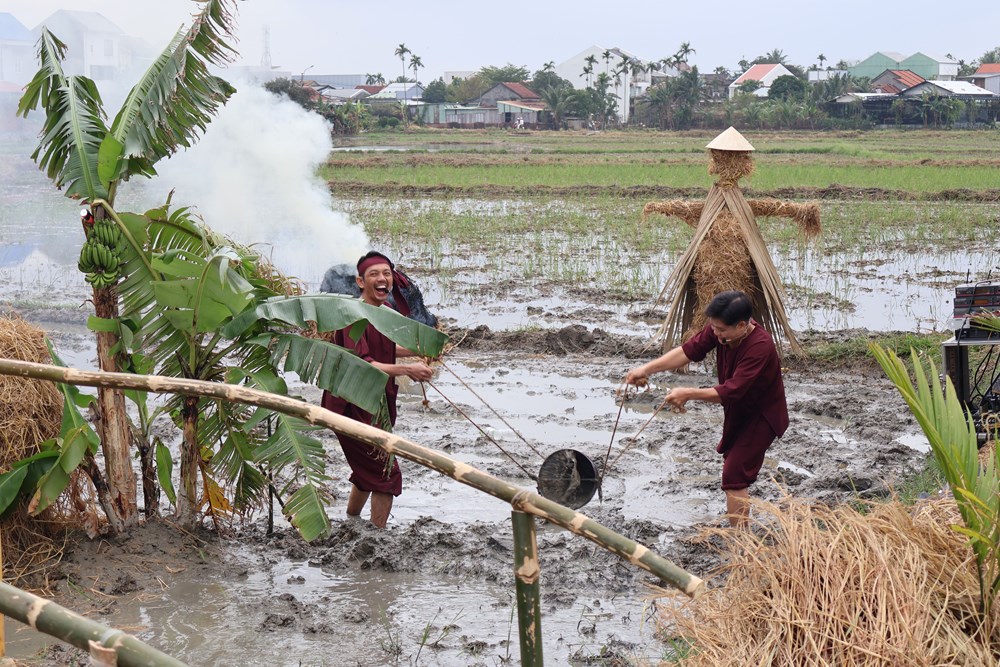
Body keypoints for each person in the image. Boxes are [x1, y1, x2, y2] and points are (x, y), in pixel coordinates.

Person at [624, 290, 788, 527]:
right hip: (738, 412)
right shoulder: (722, 333)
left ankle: (740, 541)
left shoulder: (760, 346)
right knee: (734, 469)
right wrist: (647, 369)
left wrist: (688, 393)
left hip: (761, 416)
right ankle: (739, 532)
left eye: (721, 330)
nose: (715, 333)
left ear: (742, 325)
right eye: (714, 328)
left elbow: (732, 390)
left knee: (734, 475)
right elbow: (688, 351)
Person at [321, 251, 433, 528]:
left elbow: (382, 348)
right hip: (350, 407)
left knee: (365, 472)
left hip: (373, 404)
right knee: (385, 473)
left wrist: (418, 350)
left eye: (386, 274)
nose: (382, 279)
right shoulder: (353, 317)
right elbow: (365, 363)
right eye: (374, 274)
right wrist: (409, 369)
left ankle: (352, 522)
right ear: (360, 282)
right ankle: (377, 538)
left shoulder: (384, 313)